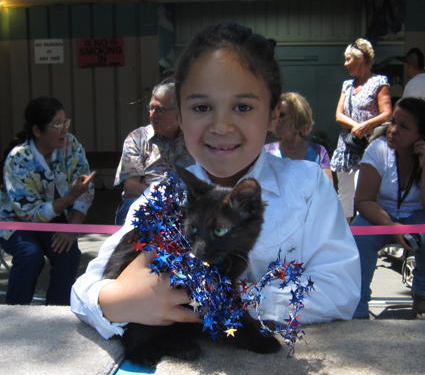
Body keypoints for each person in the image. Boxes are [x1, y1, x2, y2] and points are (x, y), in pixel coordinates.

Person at [72, 22, 361, 339]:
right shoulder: (164, 194)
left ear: (273, 116)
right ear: (180, 116)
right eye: (201, 107)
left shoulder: (307, 187)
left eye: (242, 107)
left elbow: (341, 289)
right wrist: (117, 300)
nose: (221, 125)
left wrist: (232, 298)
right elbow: (85, 288)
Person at [351, 96, 425, 320]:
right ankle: (358, 303)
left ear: (422, 135)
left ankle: (422, 294)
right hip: (381, 215)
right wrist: (393, 226)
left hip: (421, 215)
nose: (393, 130)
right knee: (359, 233)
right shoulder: (377, 150)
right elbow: (363, 201)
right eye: (393, 122)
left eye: (404, 126)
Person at [0, 97, 96, 306]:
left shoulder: (71, 145)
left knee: (68, 253)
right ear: (37, 131)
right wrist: (70, 197)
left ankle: (57, 313)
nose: (64, 130)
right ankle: (16, 312)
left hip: (53, 218)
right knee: (30, 254)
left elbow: (85, 189)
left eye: (66, 123)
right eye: (57, 125)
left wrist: (71, 228)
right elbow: (30, 213)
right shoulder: (19, 158)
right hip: (14, 220)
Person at [113, 79, 194, 225]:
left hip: (188, 206)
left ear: (179, 112)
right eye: (151, 108)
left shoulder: (195, 139)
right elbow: (131, 187)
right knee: (128, 208)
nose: (152, 114)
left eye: (160, 109)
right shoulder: (137, 138)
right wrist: (166, 202)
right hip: (146, 202)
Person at [329, 38, 392, 220]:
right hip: (349, 146)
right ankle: (346, 235)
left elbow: (387, 113)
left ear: (362, 58)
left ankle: (372, 232)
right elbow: (338, 115)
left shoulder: (379, 82)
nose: (345, 63)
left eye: (349, 59)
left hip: (371, 147)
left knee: (371, 194)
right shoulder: (347, 85)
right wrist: (356, 126)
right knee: (346, 195)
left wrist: (366, 125)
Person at [265, 91, 333, 183]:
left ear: (298, 117)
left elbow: (327, 190)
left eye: (281, 115)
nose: (276, 120)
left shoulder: (318, 152)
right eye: (274, 116)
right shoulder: (266, 152)